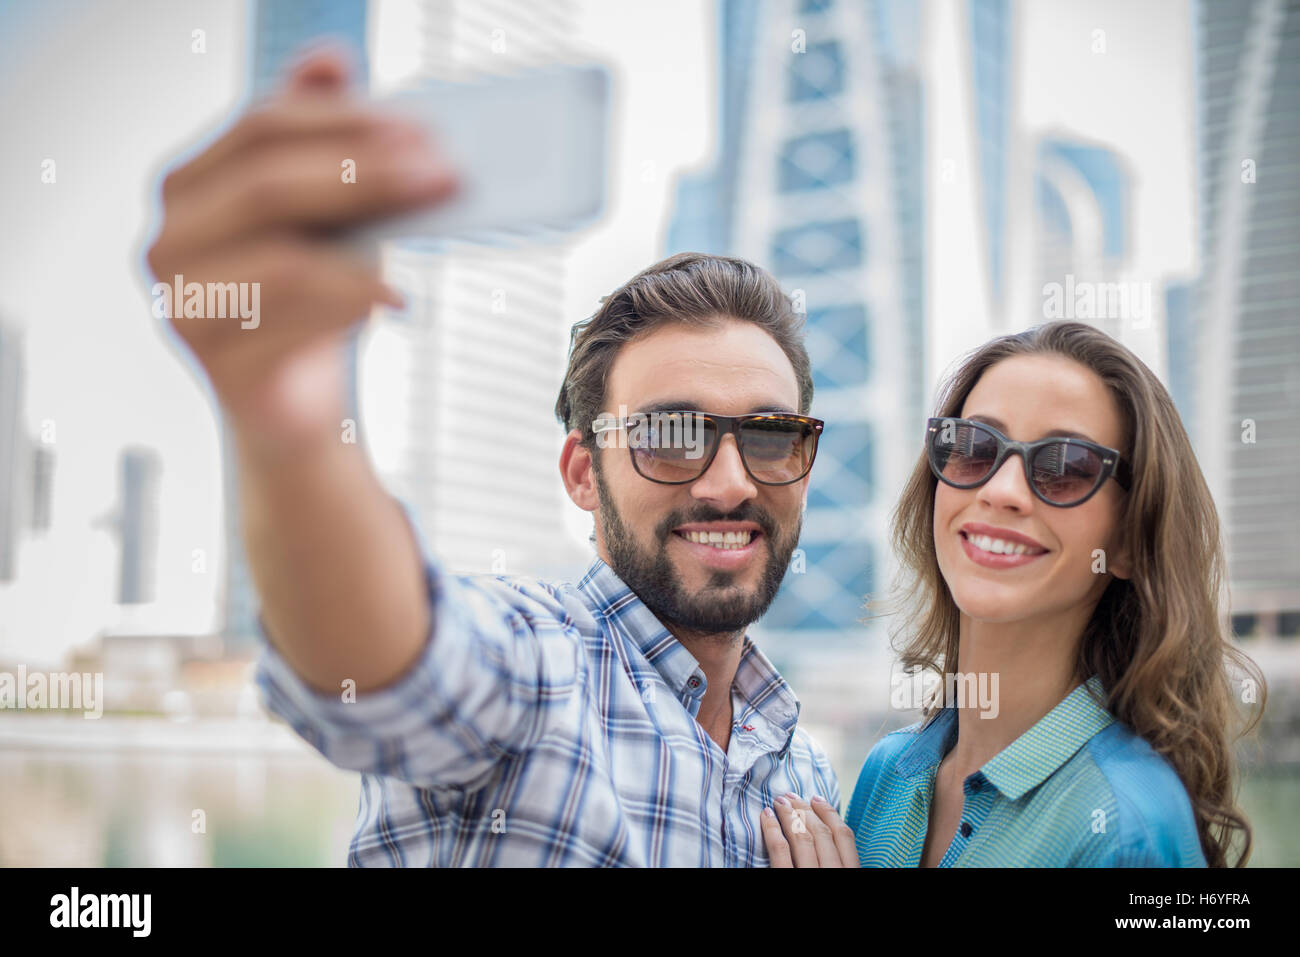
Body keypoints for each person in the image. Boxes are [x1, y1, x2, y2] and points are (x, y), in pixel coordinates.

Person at [147, 48, 840, 866]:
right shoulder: (540, 666)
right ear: (584, 473)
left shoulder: (808, 779)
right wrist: (289, 428)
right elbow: (394, 661)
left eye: (767, 436)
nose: (729, 483)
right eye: (670, 436)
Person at [760, 321, 1265, 867]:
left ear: (1127, 542)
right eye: (974, 448)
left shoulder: (1127, 829)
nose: (1001, 492)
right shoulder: (889, 774)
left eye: (1066, 467)